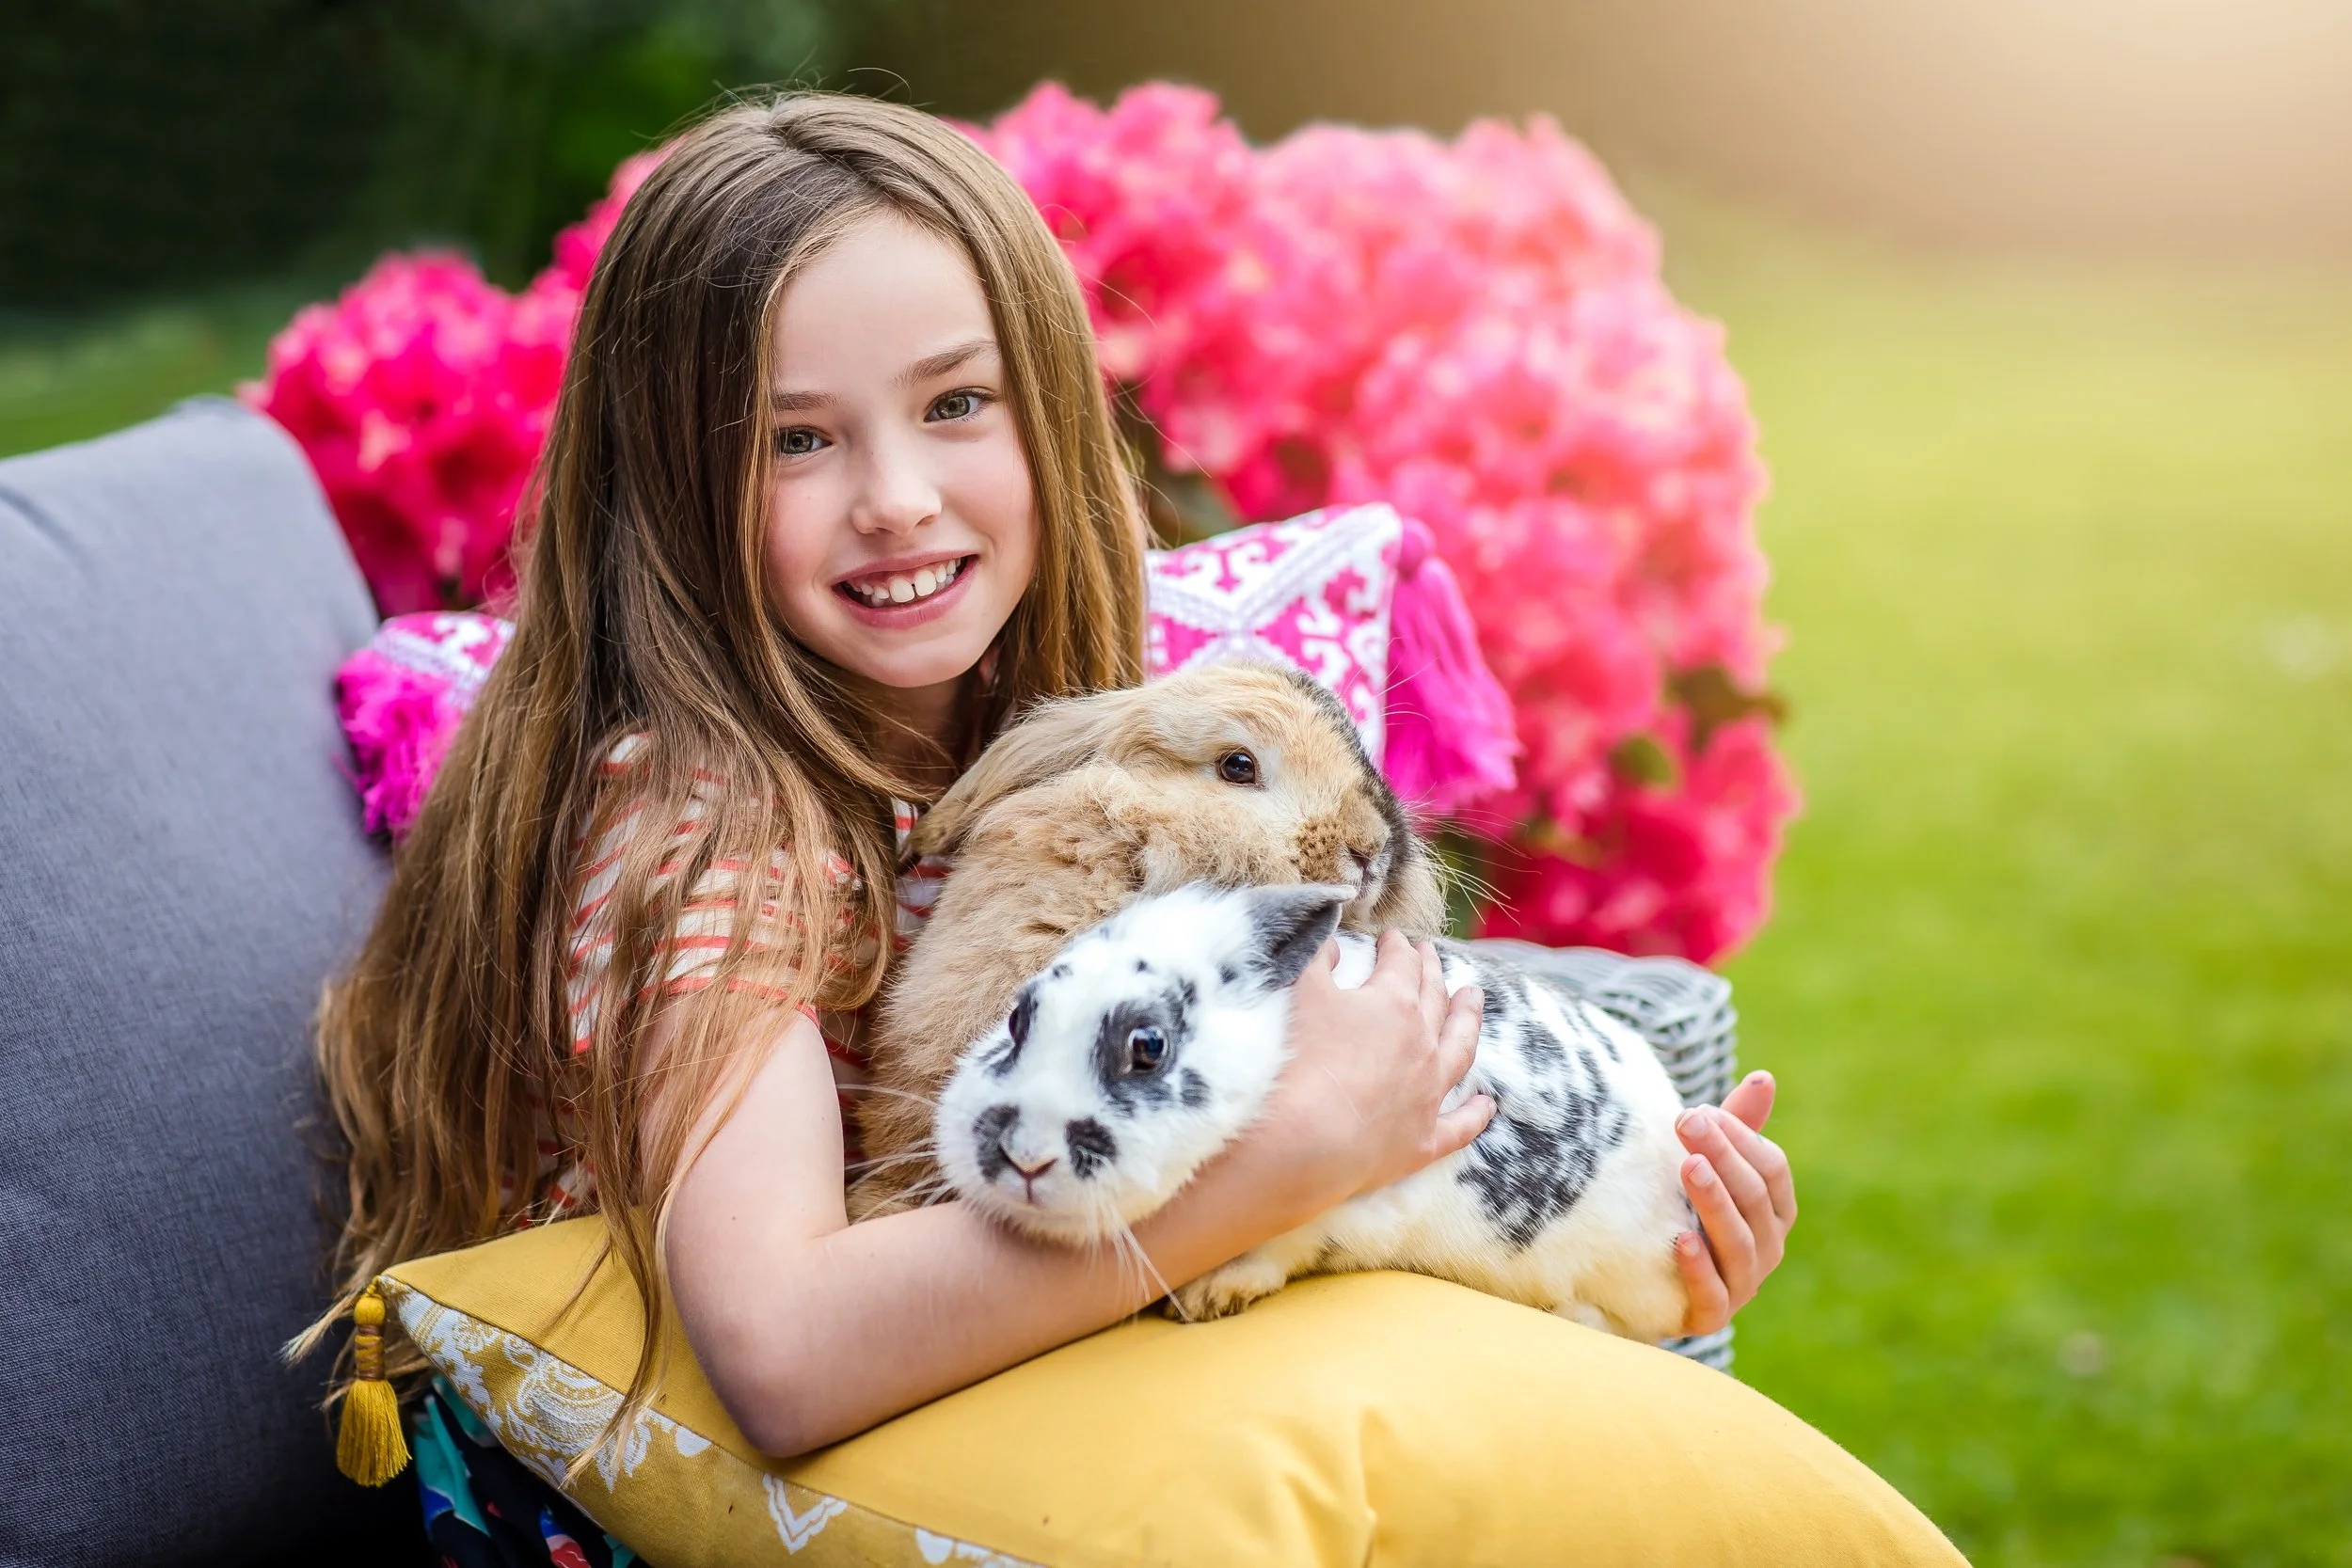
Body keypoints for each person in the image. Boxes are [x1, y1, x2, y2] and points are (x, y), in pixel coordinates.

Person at [309, 92, 1797, 1563]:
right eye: (797, 439)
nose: (897, 499)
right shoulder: (713, 826)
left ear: (1049, 410)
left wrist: (1608, 1219)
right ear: (671, 487)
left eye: (957, 404)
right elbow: (780, 1349)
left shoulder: (1069, 740)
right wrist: (1276, 1166)